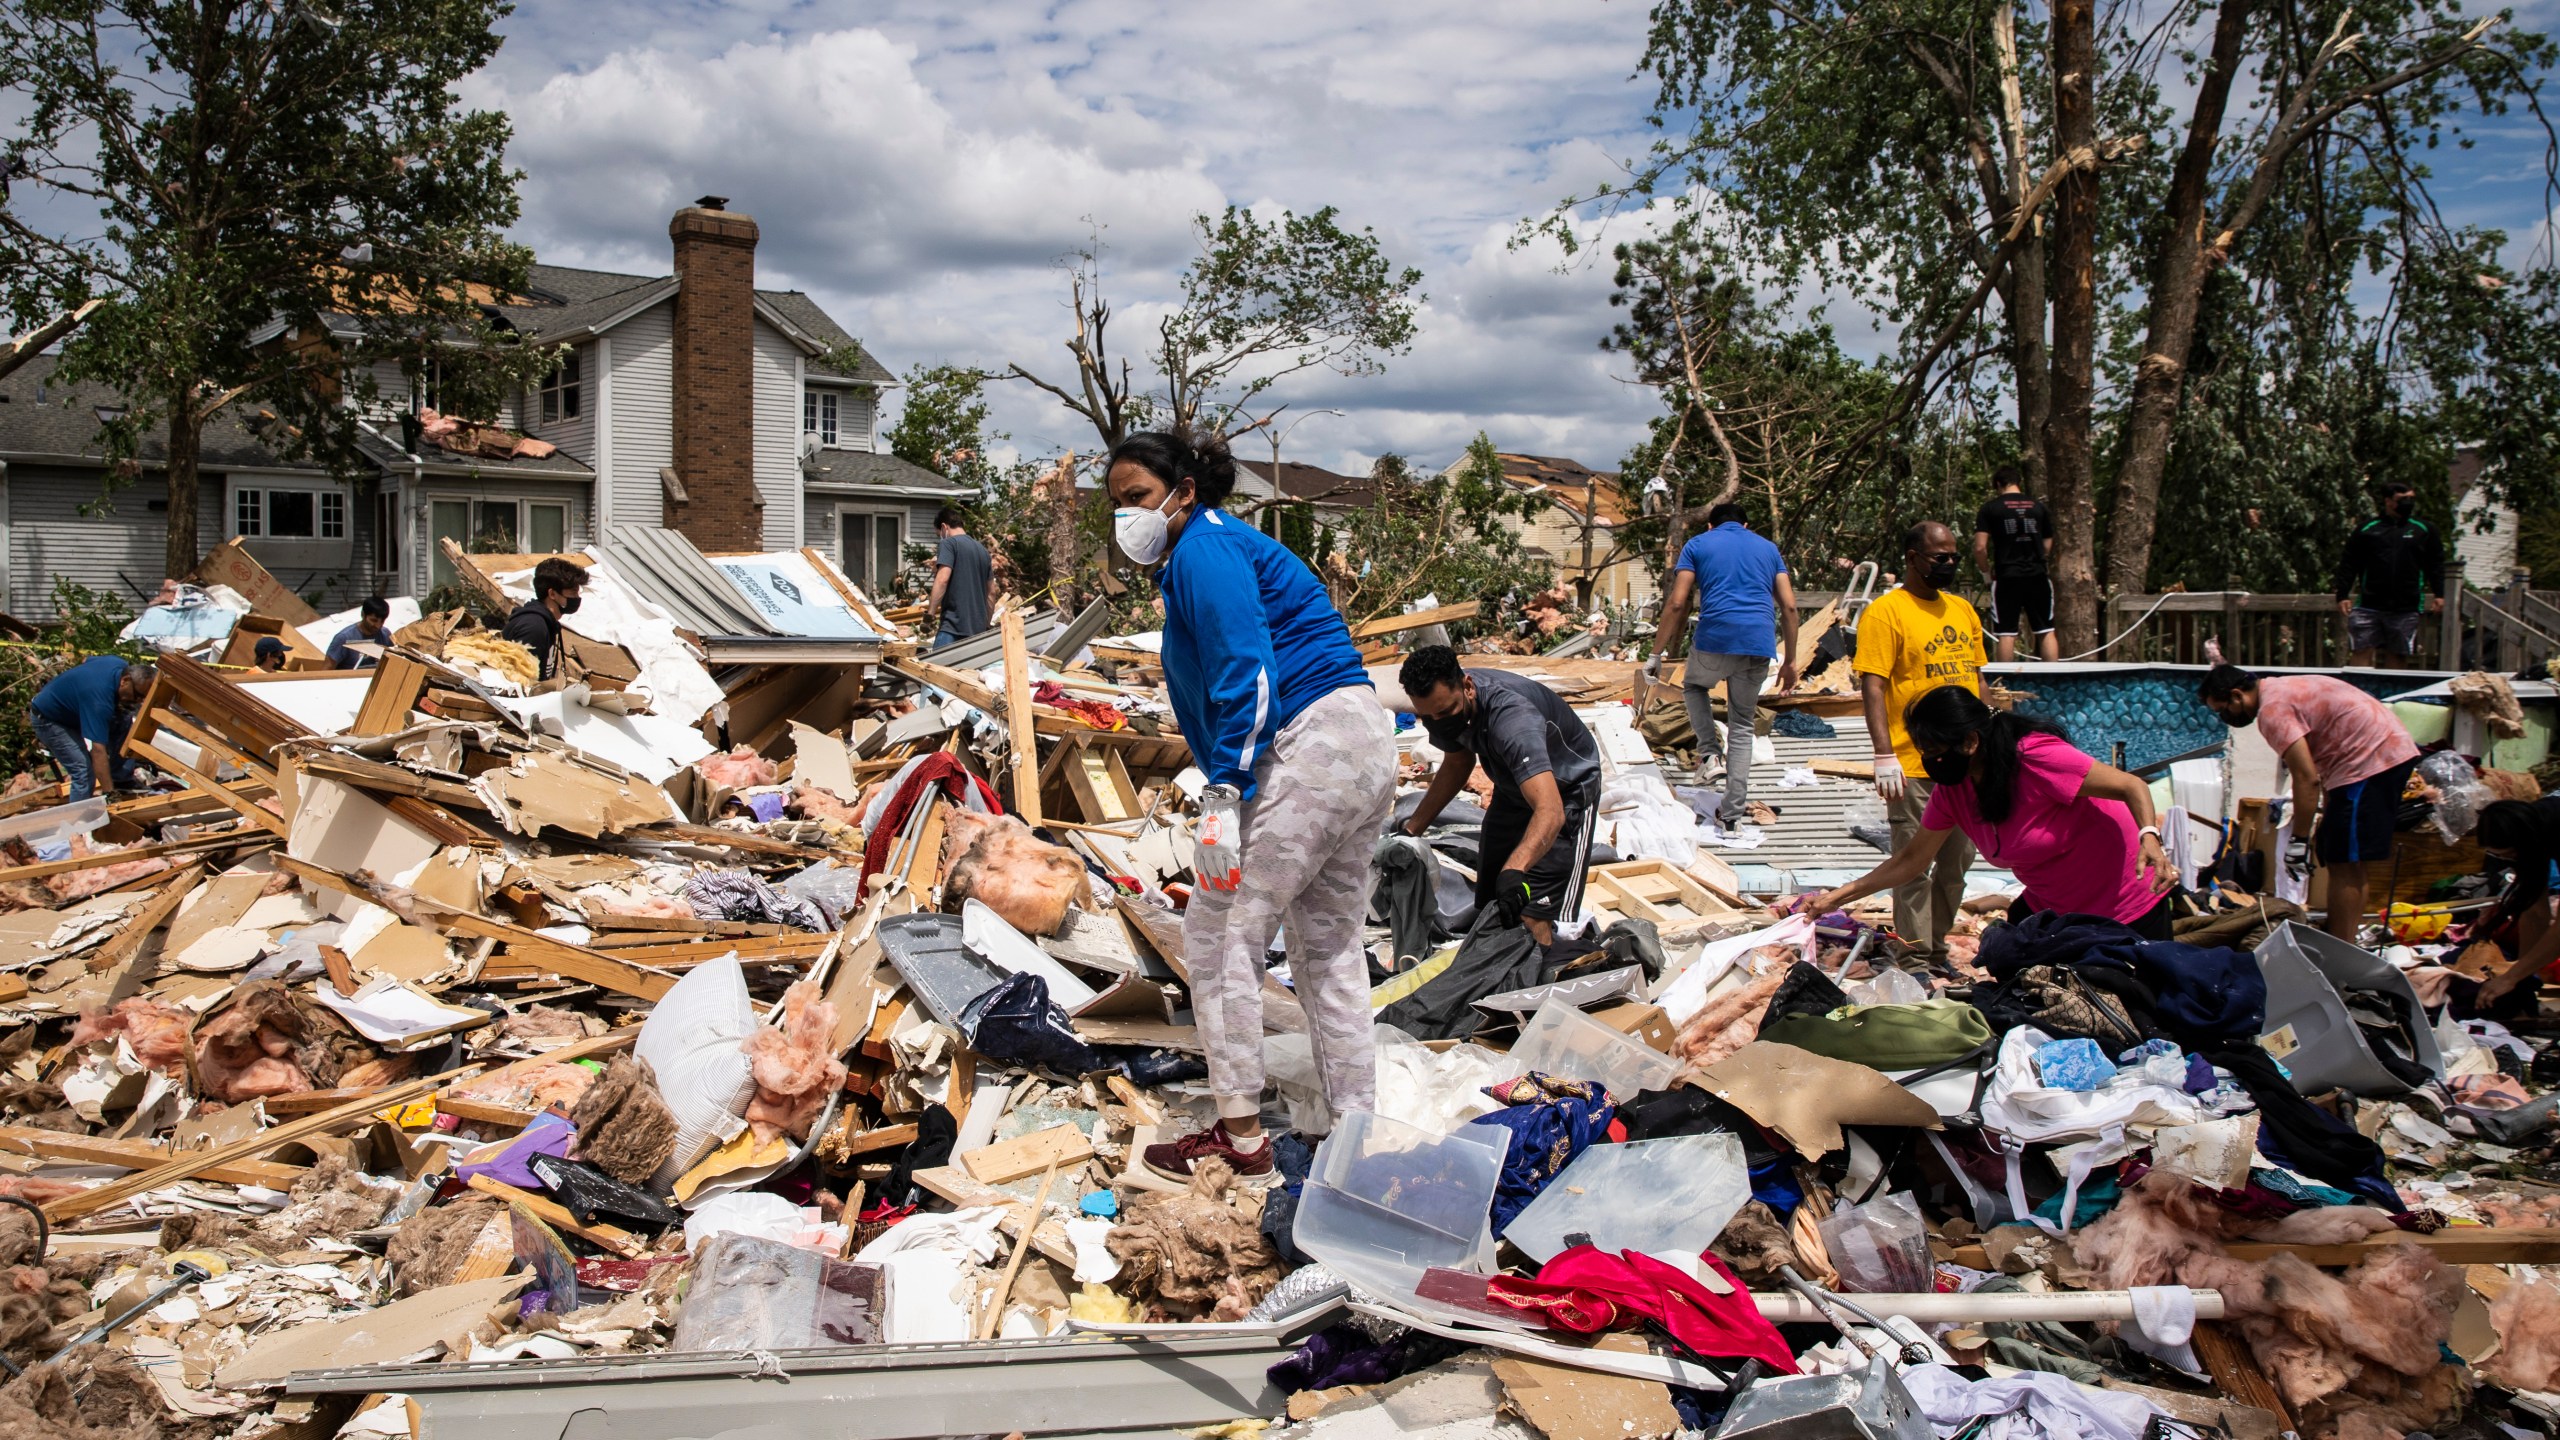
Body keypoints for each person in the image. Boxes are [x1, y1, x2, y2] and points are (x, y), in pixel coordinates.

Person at [1105, 428, 1393, 1182]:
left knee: (1219, 927)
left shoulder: (1203, 548)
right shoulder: (1217, 547)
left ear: (1184, 491)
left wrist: (1225, 785)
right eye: (1115, 504)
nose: (1125, 517)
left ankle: (1240, 1139)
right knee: (1328, 950)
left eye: (1135, 498)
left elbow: (1247, 670)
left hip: (1313, 740)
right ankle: (1353, 1141)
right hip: (1360, 739)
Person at [1782, 686, 2174, 937]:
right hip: (2055, 908)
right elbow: (1913, 859)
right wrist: (1841, 896)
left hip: (2125, 905)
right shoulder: (1955, 790)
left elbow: (2131, 785)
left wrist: (2149, 837)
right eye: (1925, 753)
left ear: (1970, 741)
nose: (1931, 762)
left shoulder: (2037, 757)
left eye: (1937, 752)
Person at [1398, 646, 1603, 948]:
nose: (1438, 723)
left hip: (1565, 790)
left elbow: (1550, 811)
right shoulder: (1441, 709)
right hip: (1513, 788)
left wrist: (1516, 868)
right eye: (1427, 716)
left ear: (1467, 687)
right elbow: (1457, 764)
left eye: (1444, 713)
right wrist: (1410, 831)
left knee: (1531, 911)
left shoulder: (1513, 720)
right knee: (1493, 898)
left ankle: (1536, 979)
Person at [2198, 665, 2420, 940]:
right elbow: (2323, 765)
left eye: (2223, 710)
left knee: (2343, 863)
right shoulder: (2281, 689)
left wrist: (2299, 839)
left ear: (2236, 696)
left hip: (2369, 761)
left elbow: (2306, 778)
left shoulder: (2272, 711)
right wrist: (2325, 817)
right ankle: (2346, 941)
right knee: (2347, 858)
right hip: (2375, 756)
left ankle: (2341, 949)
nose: (2226, 718)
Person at [1855, 521, 1990, 960]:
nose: (1949, 564)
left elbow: (1976, 678)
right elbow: (1873, 685)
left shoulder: (1962, 610)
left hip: (1964, 763)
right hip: (1914, 765)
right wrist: (1882, 754)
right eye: (1940, 557)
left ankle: (1934, 950)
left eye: (1954, 556)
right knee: (1912, 868)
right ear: (1913, 558)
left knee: (1956, 866)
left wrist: (1991, 739)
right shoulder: (1886, 612)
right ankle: (1911, 957)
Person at [1645, 502, 1799, 826]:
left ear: (1711, 526)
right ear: (1745, 526)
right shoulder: (1768, 548)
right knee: (1742, 724)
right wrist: (1791, 662)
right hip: (1757, 643)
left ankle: (1710, 753)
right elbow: (1790, 607)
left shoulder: (1698, 544)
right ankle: (1730, 818)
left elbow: (1676, 602)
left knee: (1694, 685)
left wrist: (1656, 655)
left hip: (1714, 639)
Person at [2334, 480, 2444, 669]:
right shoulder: (2367, 529)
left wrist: (2440, 593)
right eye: (2402, 499)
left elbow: (2435, 564)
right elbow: (2349, 563)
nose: (2408, 503)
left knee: (2399, 654)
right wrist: (2342, 594)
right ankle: (2360, 694)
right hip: (2369, 604)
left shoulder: (2424, 530)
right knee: (2361, 650)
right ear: (2388, 501)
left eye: (2411, 498)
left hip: (2406, 606)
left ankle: (2391, 698)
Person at [2465, 798, 2560, 1012]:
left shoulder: (2544, 829)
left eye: (2511, 855)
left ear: (2523, 845)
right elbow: (2534, 911)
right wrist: (2523, 977)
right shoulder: (2530, 827)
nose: (2509, 861)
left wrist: (2511, 977)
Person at [30, 656, 154, 801]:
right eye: (138, 695)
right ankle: (80, 821)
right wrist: (109, 792)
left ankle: (120, 777)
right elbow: (98, 750)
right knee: (83, 772)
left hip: (72, 710)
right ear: (124, 681)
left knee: (125, 718)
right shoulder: (99, 703)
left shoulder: (116, 663)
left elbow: (85, 660)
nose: (139, 700)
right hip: (50, 720)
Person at [1973, 464, 2058, 663]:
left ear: (1998, 484)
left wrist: (1986, 573)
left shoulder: (1990, 509)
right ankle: (2054, 683)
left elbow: (1979, 547)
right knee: (2046, 630)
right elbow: (2047, 542)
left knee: (2006, 632)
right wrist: (2037, 556)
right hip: (2037, 574)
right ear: (2018, 482)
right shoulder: (2038, 507)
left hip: (2006, 575)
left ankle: (2006, 685)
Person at [503, 557, 586, 683]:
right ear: (552, 594)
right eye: (573, 593)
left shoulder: (547, 624)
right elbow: (520, 681)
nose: (577, 598)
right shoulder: (533, 628)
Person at [928, 506, 995, 649]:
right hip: (977, 632)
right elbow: (991, 593)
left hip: (953, 627)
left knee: (936, 668)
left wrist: (930, 614)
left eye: (938, 533)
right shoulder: (983, 551)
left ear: (944, 527)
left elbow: (942, 580)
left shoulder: (949, 544)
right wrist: (986, 624)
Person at [324, 597, 391, 670]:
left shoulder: (385, 635)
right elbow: (327, 670)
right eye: (374, 620)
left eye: (382, 621)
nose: (378, 626)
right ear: (363, 615)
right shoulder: (344, 638)